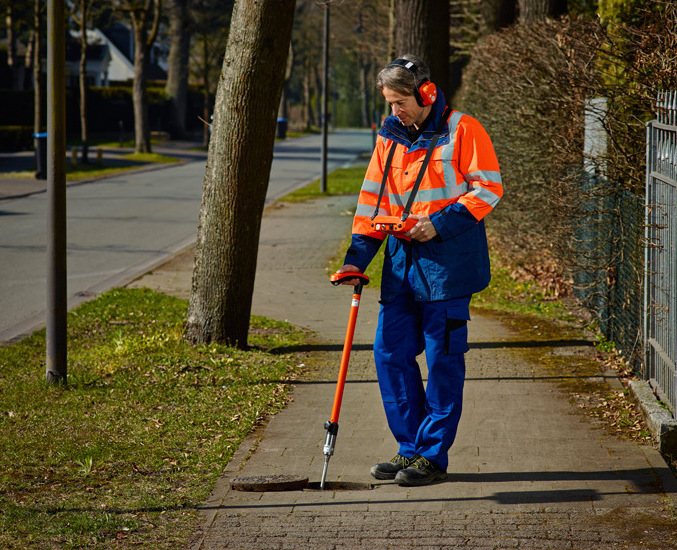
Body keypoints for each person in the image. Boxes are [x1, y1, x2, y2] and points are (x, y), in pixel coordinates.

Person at [336, 54, 503, 486]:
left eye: (401, 101)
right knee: (389, 355)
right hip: (399, 266)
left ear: (426, 92)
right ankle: (409, 449)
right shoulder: (387, 138)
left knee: (443, 362)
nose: (395, 111)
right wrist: (356, 260)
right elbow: (372, 202)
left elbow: (489, 188)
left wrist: (439, 224)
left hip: (447, 271)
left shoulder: (463, 129)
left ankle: (432, 455)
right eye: (389, 103)